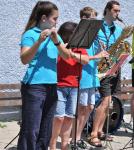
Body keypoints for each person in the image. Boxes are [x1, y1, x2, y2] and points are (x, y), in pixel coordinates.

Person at [17, 1, 72, 150]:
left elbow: (67, 56)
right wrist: (39, 41)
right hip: (34, 86)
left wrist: (56, 42)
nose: (57, 21)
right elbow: (24, 59)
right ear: (43, 18)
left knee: (46, 128)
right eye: (54, 18)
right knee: (31, 129)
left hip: (52, 85)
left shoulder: (56, 36)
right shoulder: (30, 34)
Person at [71, 6, 108, 148]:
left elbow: (94, 59)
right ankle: (75, 138)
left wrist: (101, 53)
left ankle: (78, 136)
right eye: (92, 20)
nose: (95, 24)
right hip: (82, 77)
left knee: (90, 107)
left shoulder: (93, 38)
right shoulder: (78, 35)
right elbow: (77, 57)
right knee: (81, 109)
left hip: (92, 76)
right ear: (84, 19)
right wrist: (96, 56)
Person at [49, 21, 89, 150]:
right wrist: (63, 48)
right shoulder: (57, 45)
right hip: (59, 85)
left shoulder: (79, 47)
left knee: (69, 117)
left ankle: (65, 146)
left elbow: (86, 60)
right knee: (59, 117)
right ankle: (53, 144)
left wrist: (71, 53)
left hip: (74, 86)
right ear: (68, 34)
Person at [89, 0, 123, 147]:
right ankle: (93, 134)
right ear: (108, 10)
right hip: (101, 68)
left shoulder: (119, 30)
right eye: (115, 11)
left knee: (108, 102)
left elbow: (119, 49)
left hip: (115, 68)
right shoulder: (96, 26)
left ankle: (100, 130)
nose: (118, 14)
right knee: (105, 101)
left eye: (119, 11)